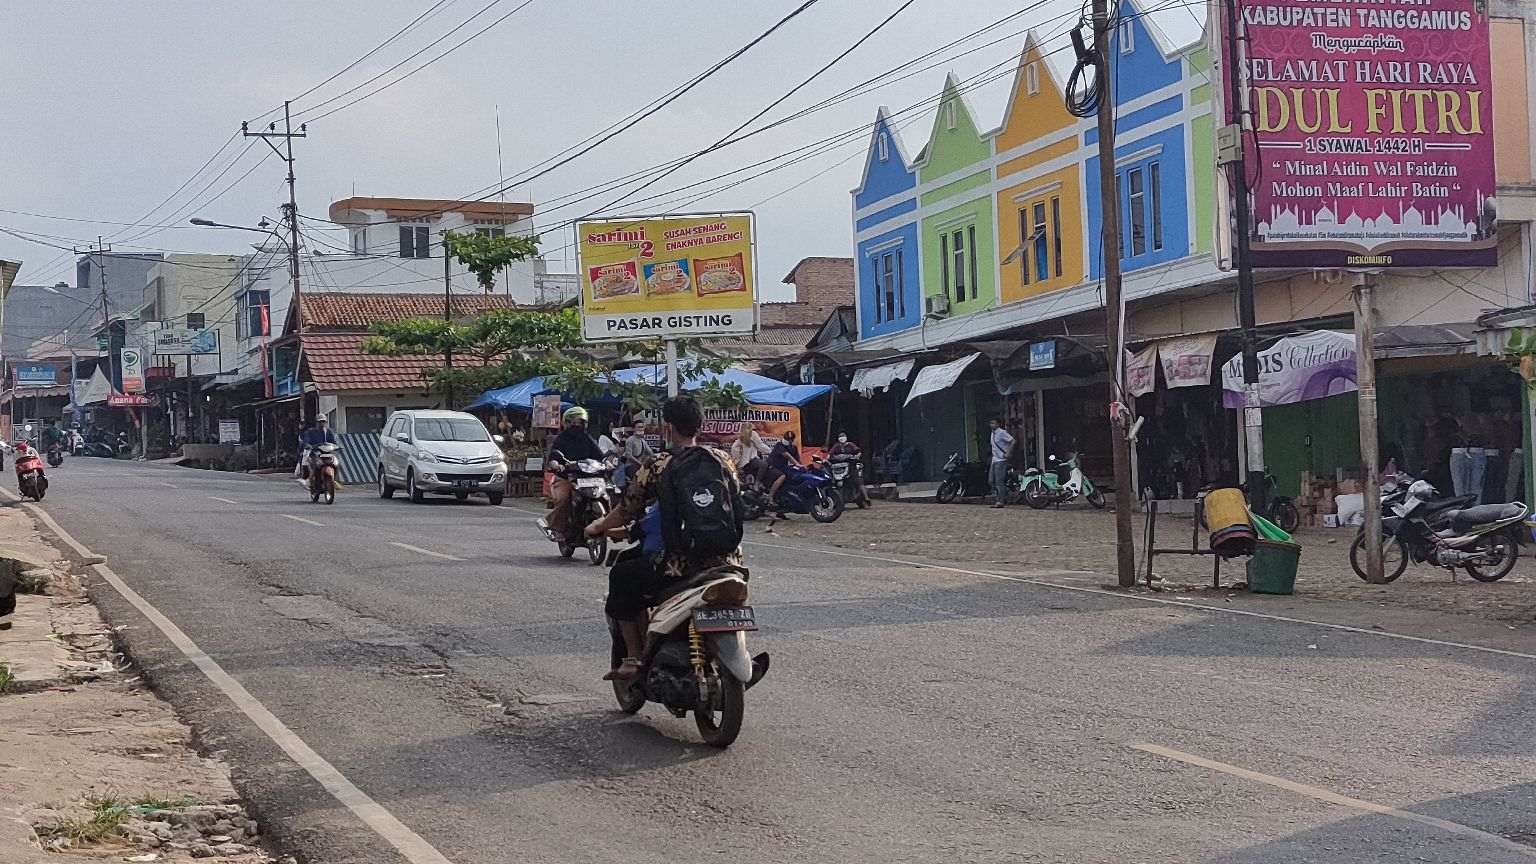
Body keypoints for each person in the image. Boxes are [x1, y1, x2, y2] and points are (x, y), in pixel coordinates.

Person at [584, 396, 744, 680]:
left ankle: (634, 658)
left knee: (621, 576)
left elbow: (626, 509)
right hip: (727, 560)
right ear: (700, 424)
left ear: (668, 427)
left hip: (677, 565)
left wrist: (598, 526)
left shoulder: (658, 464)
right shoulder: (723, 459)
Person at [541, 406, 605, 538]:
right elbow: (554, 455)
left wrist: (607, 462)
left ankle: (609, 525)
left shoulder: (587, 438)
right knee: (564, 499)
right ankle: (556, 528)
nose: (577, 425)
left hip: (588, 477)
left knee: (608, 494)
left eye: (580, 422)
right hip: (567, 477)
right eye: (574, 422)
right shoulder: (561, 438)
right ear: (567, 423)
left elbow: (599, 454)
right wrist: (556, 463)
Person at [767, 429, 802, 506]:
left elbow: (798, 459)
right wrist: (796, 464)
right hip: (772, 466)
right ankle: (770, 497)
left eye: (790, 439)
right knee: (782, 476)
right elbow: (787, 456)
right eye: (787, 439)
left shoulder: (793, 447)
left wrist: (802, 467)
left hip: (783, 467)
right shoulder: (779, 445)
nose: (789, 441)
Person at [988, 417, 1014, 508]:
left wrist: (1008, 452)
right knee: (991, 480)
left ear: (998, 424)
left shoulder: (1002, 432)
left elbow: (1012, 441)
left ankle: (1000, 501)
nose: (992, 425)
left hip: (1001, 460)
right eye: (991, 423)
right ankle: (1002, 495)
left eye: (994, 423)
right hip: (994, 459)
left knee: (999, 481)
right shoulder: (992, 433)